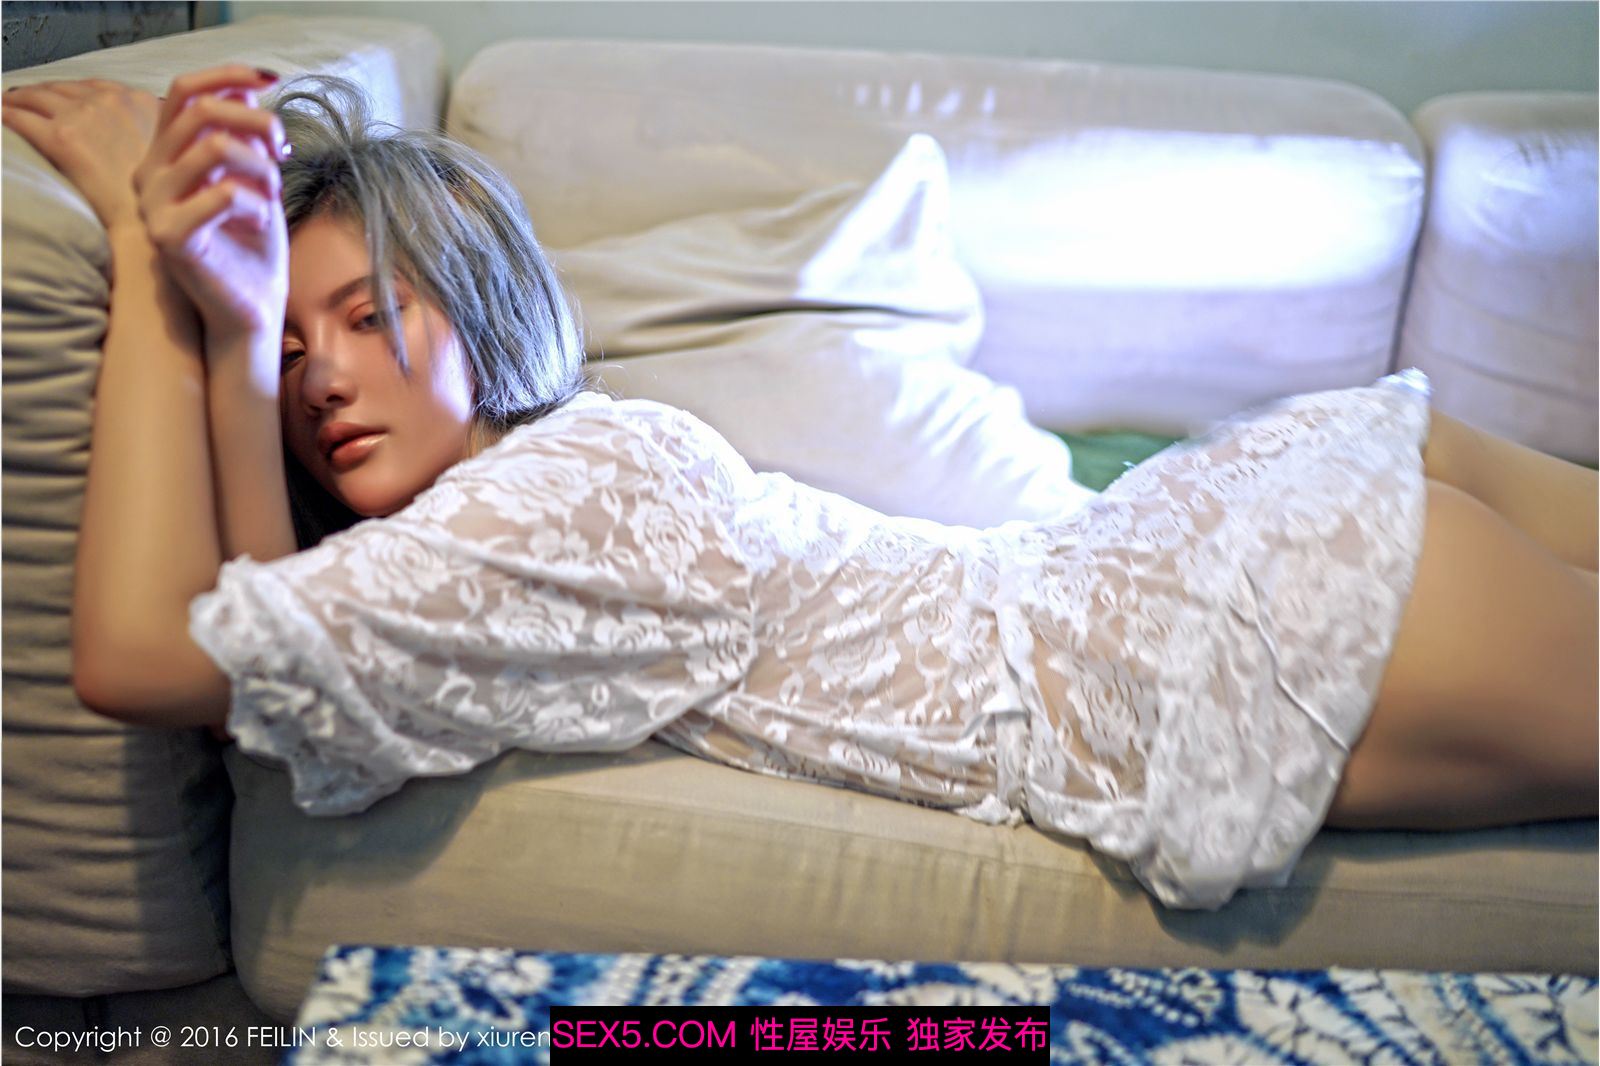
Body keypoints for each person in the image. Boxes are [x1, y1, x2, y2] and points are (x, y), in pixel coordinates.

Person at [5, 65, 1595, 912]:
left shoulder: (534, 516)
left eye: (370, 315)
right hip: (1254, 517)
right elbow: (268, 640)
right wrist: (232, 337)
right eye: (294, 348)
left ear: (486, 308)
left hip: (1212, 629)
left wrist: (152, 259)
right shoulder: (545, 492)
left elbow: (148, 655)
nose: (323, 378)